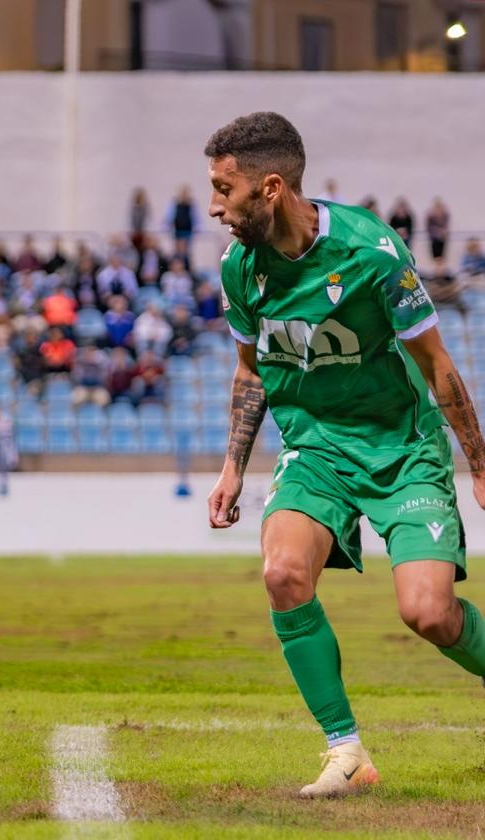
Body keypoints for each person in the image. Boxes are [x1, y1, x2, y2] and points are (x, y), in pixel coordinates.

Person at [205, 111, 485, 799]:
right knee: (281, 574)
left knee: (429, 614)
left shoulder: (372, 252)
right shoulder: (241, 268)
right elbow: (251, 371)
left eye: (223, 189)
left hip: (400, 446)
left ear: (270, 188)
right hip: (315, 446)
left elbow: (436, 363)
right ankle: (347, 753)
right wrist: (235, 464)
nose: (213, 206)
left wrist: (478, 462)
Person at [426, 197, 450, 263]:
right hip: (434, 238)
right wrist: (438, 231)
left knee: (442, 257)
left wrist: (444, 231)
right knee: (435, 257)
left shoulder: (445, 215)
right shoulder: (431, 216)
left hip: (442, 238)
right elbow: (429, 228)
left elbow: (446, 226)